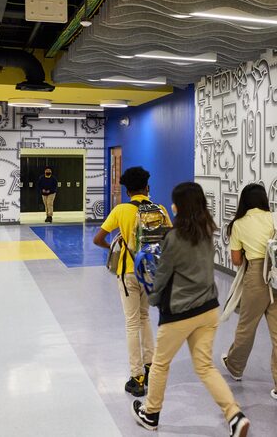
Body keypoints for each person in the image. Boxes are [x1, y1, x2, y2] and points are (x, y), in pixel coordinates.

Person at [131, 182, 251, 437]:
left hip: (179, 313)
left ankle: (151, 413)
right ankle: (234, 415)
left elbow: (162, 277)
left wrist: (152, 298)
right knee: (205, 366)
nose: (172, 206)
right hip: (208, 310)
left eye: (174, 202)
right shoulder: (207, 231)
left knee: (161, 364)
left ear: (180, 206)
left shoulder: (174, 238)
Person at [93, 167, 170, 398]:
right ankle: (150, 366)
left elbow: (98, 239)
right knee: (145, 317)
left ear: (127, 191)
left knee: (131, 323)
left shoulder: (121, 210)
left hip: (127, 272)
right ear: (147, 187)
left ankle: (136, 377)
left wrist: (114, 247)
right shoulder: (160, 210)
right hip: (150, 272)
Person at [221, 183, 277, 401]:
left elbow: (236, 260)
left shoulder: (239, 224)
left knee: (247, 325)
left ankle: (235, 366)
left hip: (256, 275)